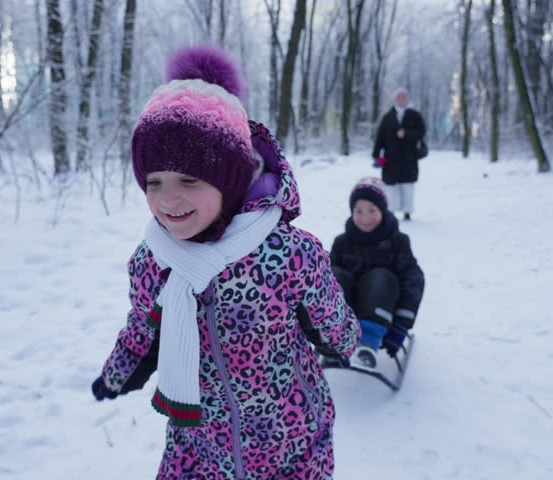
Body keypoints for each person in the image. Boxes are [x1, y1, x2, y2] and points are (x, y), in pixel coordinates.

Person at [90, 46, 360, 480]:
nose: (166, 198)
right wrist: (117, 373)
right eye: (153, 182)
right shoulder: (153, 261)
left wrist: (343, 340)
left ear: (231, 180)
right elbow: (144, 327)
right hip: (199, 445)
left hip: (289, 440)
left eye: (189, 180)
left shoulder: (287, 256)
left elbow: (334, 323)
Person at [330, 177, 424, 366]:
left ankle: (368, 343)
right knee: (334, 275)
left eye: (372, 210)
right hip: (347, 313)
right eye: (359, 211)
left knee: (381, 277)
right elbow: (322, 280)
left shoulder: (397, 241)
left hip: (383, 310)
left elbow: (413, 280)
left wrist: (401, 325)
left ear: (382, 210)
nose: (365, 217)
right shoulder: (342, 242)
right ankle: (334, 341)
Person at [372, 88, 427, 221]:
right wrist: (376, 155)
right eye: (399, 97)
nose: (401, 100)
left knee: (408, 187)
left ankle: (407, 212)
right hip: (390, 160)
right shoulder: (387, 117)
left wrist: (407, 134)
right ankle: (391, 212)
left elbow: (422, 132)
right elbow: (380, 138)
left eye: (404, 97)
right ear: (395, 99)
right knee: (391, 188)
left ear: (407, 99)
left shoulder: (415, 115)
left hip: (409, 159)